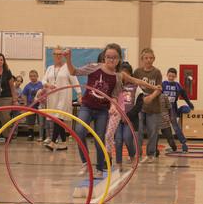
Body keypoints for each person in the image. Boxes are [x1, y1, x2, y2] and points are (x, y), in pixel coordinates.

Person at [65, 44, 159, 177]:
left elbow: (128, 86)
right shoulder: (94, 67)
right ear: (104, 57)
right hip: (87, 106)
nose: (111, 60)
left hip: (102, 110)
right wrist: (68, 59)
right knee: (79, 131)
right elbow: (74, 72)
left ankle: (99, 168)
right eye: (108, 57)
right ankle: (85, 163)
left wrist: (153, 87)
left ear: (119, 59)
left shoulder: (118, 77)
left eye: (114, 58)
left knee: (100, 138)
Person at [42, 48, 79, 150]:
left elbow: (75, 81)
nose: (58, 56)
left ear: (62, 55)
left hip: (64, 96)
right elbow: (43, 80)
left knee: (58, 118)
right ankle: (63, 143)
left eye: (60, 54)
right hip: (52, 96)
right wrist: (47, 84)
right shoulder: (49, 68)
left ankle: (53, 142)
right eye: (56, 54)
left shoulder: (67, 67)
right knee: (58, 120)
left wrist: (79, 93)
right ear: (53, 55)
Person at [133, 48, 162, 162]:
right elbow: (134, 87)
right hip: (140, 107)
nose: (148, 60)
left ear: (154, 59)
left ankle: (151, 153)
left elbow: (159, 88)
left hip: (154, 107)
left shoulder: (157, 72)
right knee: (138, 130)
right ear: (142, 59)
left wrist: (151, 97)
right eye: (146, 58)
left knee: (153, 131)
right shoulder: (137, 72)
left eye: (151, 58)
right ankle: (137, 153)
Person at [162, 67, 194, 152]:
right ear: (167, 75)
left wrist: (189, 103)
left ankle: (183, 143)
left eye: (173, 76)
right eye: (169, 76)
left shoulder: (177, 85)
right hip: (163, 108)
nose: (171, 78)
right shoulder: (163, 84)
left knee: (175, 126)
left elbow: (184, 95)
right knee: (162, 127)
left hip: (172, 107)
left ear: (175, 76)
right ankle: (160, 147)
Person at [20, 70, 43, 141]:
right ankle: (30, 134)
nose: (33, 77)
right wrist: (26, 104)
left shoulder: (41, 84)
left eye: (34, 76)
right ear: (29, 77)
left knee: (41, 122)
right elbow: (24, 95)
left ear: (37, 76)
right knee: (30, 121)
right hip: (30, 106)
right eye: (31, 76)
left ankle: (42, 135)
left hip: (40, 106)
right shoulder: (27, 86)